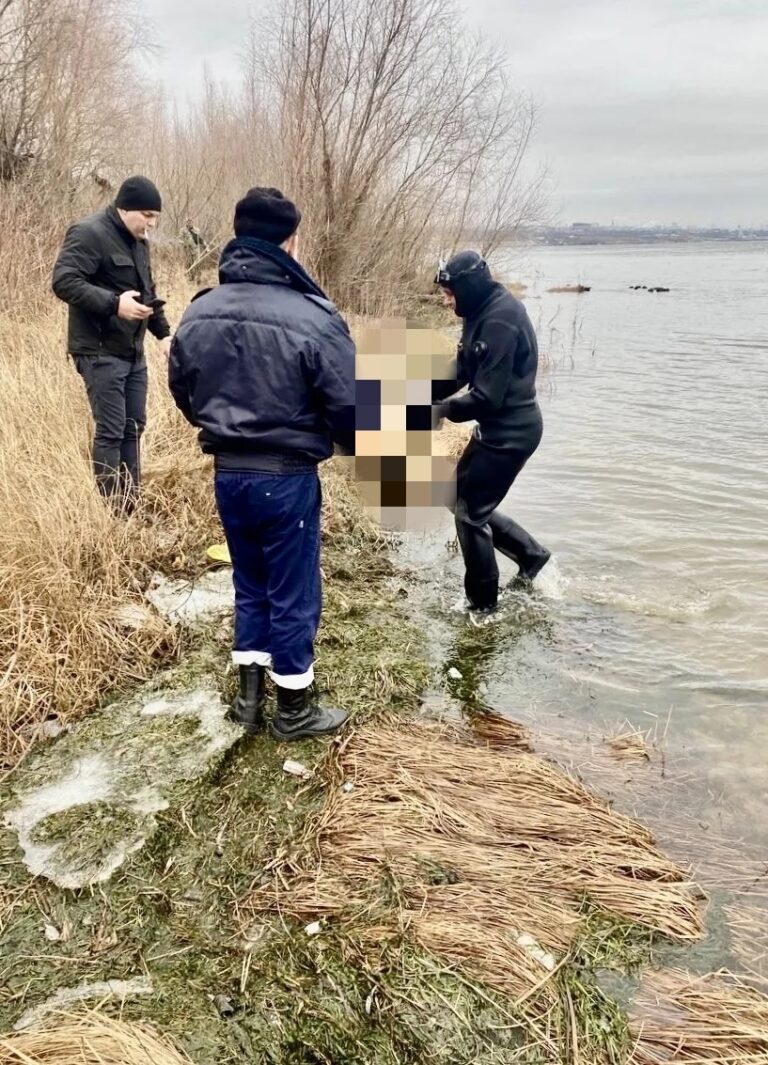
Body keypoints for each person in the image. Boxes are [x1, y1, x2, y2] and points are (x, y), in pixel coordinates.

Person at [168, 187, 356, 741]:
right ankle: (294, 709)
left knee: (250, 582)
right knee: (293, 590)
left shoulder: (200, 309)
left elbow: (184, 388)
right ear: (291, 241)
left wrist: (221, 429)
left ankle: (249, 700)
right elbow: (349, 405)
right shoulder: (313, 314)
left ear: (237, 231)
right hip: (285, 475)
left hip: (229, 474)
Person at [433, 250, 550, 618]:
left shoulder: (502, 319)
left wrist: (437, 412)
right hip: (498, 430)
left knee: (469, 515)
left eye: (449, 291)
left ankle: (482, 607)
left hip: (512, 434)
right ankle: (531, 555)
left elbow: (486, 398)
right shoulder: (478, 311)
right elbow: (464, 369)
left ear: (468, 286)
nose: (445, 298)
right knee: (458, 500)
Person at [52, 175, 172, 510]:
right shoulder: (89, 233)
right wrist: (114, 303)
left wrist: (162, 334)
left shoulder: (139, 242)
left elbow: (148, 293)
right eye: (147, 215)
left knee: (134, 427)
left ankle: (130, 504)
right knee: (112, 429)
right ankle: (111, 511)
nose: (151, 223)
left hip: (133, 353)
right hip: (98, 350)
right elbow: (63, 281)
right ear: (125, 207)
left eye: (156, 217)